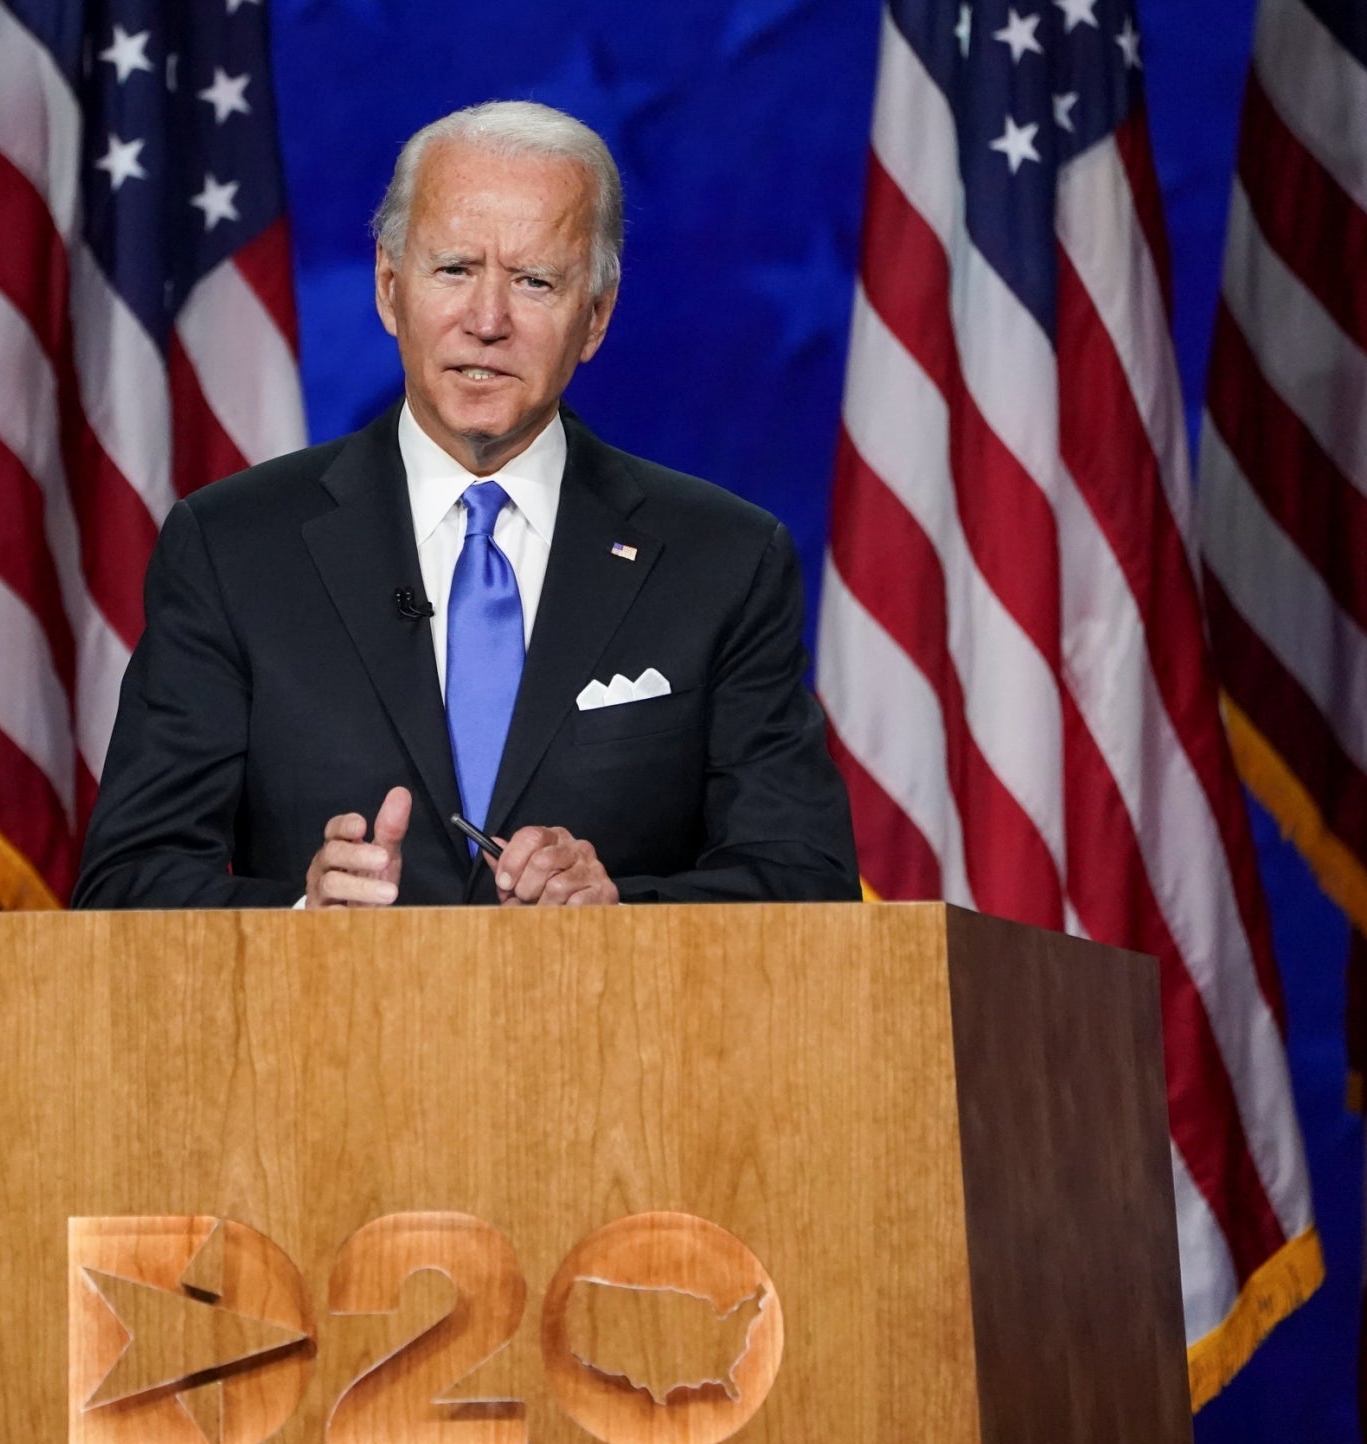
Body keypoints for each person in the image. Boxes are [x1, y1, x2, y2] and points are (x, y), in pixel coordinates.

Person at [74, 101, 857, 909]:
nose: (487, 322)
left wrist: (622, 912)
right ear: (389, 287)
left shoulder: (723, 560)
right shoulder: (234, 547)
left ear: (594, 316)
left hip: (612, 1032)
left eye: (534, 281)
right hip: (328, 1033)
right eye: (454, 270)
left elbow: (805, 883)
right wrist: (300, 922)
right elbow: (125, 885)